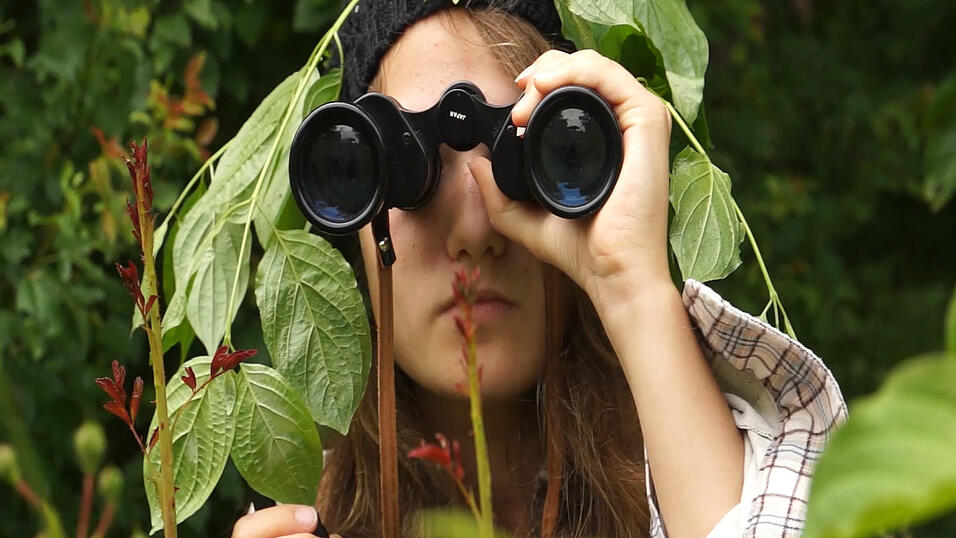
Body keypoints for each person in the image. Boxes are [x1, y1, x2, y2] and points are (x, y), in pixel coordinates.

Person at [232, 1, 846, 537]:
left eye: (523, 161)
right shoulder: (309, 513)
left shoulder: (736, 476)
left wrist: (630, 287)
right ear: (358, 212)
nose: (474, 234)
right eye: (407, 170)